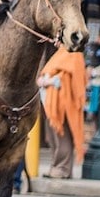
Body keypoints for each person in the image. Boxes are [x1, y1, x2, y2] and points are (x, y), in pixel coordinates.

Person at [37, 45, 87, 178]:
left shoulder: (75, 54)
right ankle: (55, 167)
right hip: (50, 105)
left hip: (64, 105)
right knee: (53, 139)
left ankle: (62, 169)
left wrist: (48, 81)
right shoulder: (60, 53)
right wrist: (45, 80)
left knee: (62, 138)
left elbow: (70, 80)